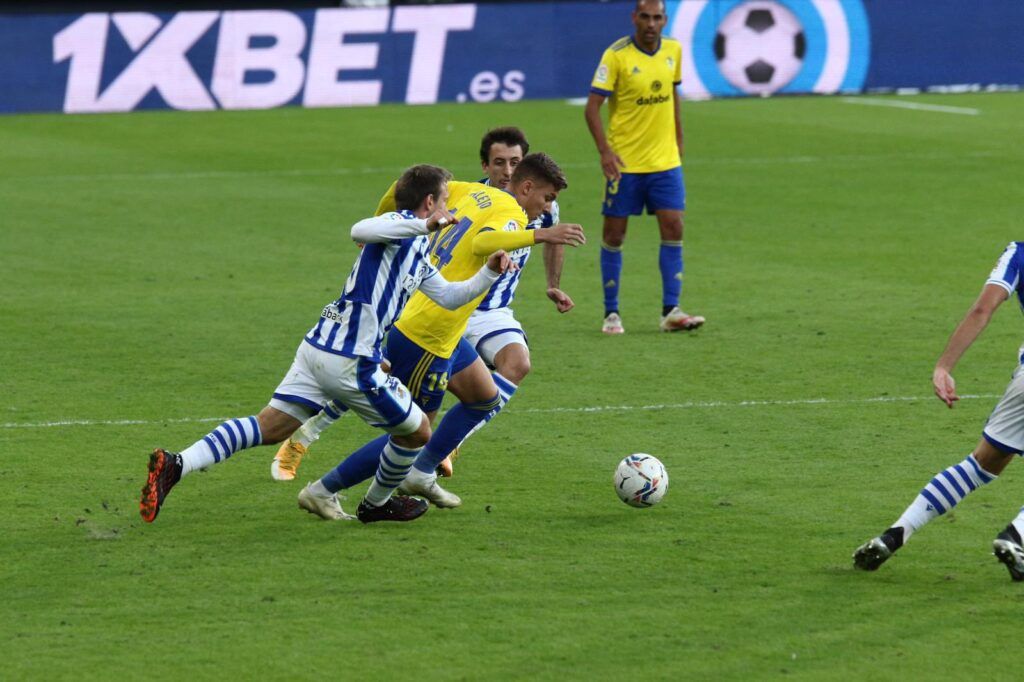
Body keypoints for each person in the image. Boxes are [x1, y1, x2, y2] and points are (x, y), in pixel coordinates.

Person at [139, 164, 517, 524]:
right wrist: (421, 223)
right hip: (352, 360)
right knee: (417, 432)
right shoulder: (396, 225)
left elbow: (451, 296)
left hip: (319, 347)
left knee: (269, 427)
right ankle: (376, 505)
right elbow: (360, 229)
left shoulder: (418, 250)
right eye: (445, 199)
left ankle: (176, 464)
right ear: (430, 203)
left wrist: (488, 271)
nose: (450, 207)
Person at [271, 128, 576, 483]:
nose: (507, 170)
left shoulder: (542, 206)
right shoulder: (470, 194)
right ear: (485, 165)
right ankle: (306, 441)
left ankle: (445, 447)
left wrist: (553, 284)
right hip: (439, 301)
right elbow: (481, 238)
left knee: (516, 364)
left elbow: (553, 239)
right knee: (373, 376)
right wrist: (383, 226)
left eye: (515, 162)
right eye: (499, 162)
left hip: (489, 310)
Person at [853, 242, 1024, 580]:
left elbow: (982, 310)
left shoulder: (1018, 252)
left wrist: (944, 366)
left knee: (983, 463)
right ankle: (1016, 536)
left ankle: (896, 534)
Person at [584, 0, 704, 335]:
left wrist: (678, 136)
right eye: (646, 17)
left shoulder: (674, 50)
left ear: (665, 20)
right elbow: (592, 108)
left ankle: (671, 310)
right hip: (625, 164)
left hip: (665, 162)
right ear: (635, 18)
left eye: (658, 18)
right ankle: (611, 313)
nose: (652, 24)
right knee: (614, 234)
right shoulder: (617, 55)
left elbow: (672, 93)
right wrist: (605, 152)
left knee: (674, 227)